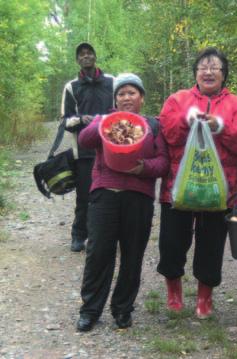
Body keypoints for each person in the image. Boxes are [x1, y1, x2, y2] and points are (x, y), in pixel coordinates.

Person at [157, 47, 237, 319]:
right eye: (203, 67)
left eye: (215, 67)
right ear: (195, 73)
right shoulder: (178, 99)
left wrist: (221, 126)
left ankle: (204, 297)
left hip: (220, 189)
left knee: (211, 244)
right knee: (172, 242)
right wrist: (186, 120)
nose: (209, 71)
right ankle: (173, 291)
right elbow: (168, 135)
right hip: (178, 188)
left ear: (224, 75)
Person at [75, 73, 169, 332]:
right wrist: (103, 120)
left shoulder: (153, 125)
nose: (126, 98)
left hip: (138, 197)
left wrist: (142, 168)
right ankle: (90, 310)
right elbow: (84, 140)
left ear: (142, 97)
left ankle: (122, 309)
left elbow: (163, 162)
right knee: (98, 253)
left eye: (132, 93)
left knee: (132, 255)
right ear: (114, 99)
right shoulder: (104, 121)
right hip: (105, 193)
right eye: (121, 94)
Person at [61, 42, 114, 252]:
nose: (86, 57)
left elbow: (122, 110)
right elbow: (65, 121)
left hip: (111, 148)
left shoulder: (112, 82)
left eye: (89, 53)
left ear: (95, 56)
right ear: (77, 60)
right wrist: (81, 119)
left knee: (109, 194)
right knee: (84, 195)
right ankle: (78, 235)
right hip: (83, 151)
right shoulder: (71, 87)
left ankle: (104, 236)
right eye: (81, 55)